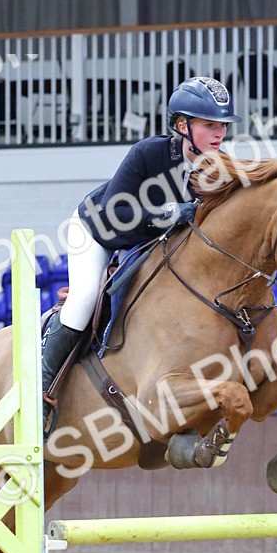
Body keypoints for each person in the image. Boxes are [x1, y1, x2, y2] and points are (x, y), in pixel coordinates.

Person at [40, 76, 241, 426]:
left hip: (147, 243)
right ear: (182, 125)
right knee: (85, 298)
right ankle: (40, 391)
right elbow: (113, 215)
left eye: (222, 125)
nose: (219, 133)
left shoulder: (219, 167)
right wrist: (171, 213)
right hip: (97, 232)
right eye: (209, 125)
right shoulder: (150, 153)